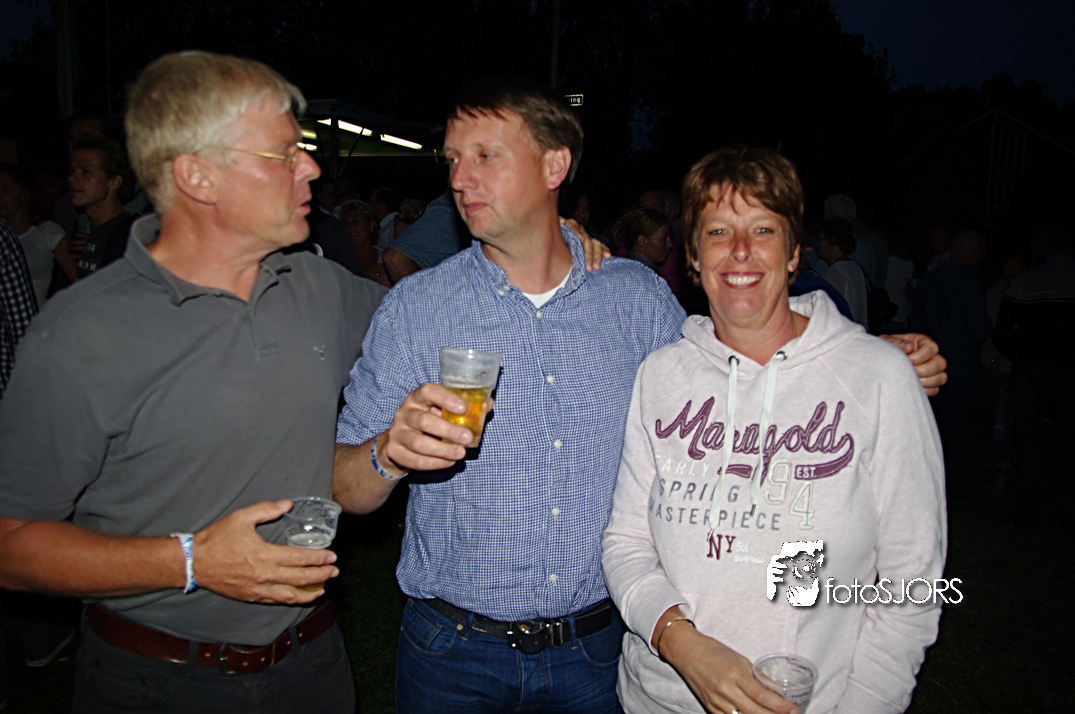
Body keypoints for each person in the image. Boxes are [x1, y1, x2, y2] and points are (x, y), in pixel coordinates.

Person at [332, 78, 947, 712]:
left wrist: (859, 361)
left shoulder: (634, 299)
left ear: (554, 165)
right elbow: (342, 485)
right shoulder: (415, 308)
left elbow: (734, 360)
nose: (460, 179)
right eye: (453, 159)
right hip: (452, 654)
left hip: (595, 656)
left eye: (485, 155)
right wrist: (389, 450)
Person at [0, 51, 387, 713]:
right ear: (197, 175)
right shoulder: (83, 333)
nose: (311, 169)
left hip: (314, 663)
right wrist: (190, 560)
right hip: (154, 681)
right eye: (284, 154)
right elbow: (10, 544)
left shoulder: (317, 286)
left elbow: (430, 311)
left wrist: (551, 245)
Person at [602, 146, 946, 714]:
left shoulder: (878, 377)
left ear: (793, 253)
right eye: (718, 231)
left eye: (763, 229)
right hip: (659, 699)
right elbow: (627, 543)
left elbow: (913, 580)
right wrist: (681, 645)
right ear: (693, 256)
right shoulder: (661, 375)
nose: (740, 249)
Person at [0, 163, 77, 305]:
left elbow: (78, 280)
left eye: (6, 189)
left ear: (22, 192)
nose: (1, 196)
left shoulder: (47, 231)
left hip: (36, 314)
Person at [68, 135, 136, 279]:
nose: (72, 178)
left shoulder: (129, 238)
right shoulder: (93, 233)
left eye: (86, 171)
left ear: (114, 182)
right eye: (72, 170)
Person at [612, 206, 674, 273]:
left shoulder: (626, 268)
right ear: (642, 240)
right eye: (664, 239)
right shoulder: (643, 274)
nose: (670, 244)